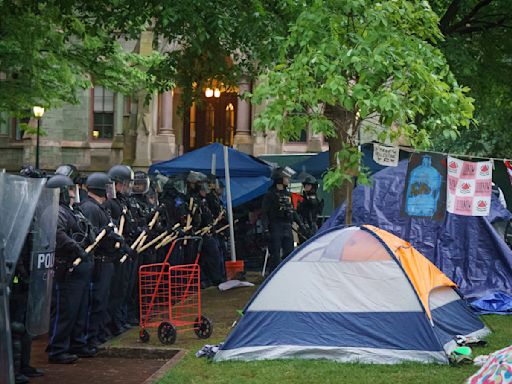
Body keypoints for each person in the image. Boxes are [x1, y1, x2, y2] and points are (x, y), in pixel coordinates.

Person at [46, 174, 96, 363]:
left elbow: (85, 230)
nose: (73, 193)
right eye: (69, 190)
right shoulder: (56, 211)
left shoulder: (73, 210)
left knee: (79, 309)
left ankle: (77, 344)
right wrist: (75, 248)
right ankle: (58, 350)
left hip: (80, 268)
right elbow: (57, 233)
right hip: (67, 269)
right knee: (65, 310)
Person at [80, 172, 122, 349]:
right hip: (99, 262)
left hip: (107, 261)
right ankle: (90, 338)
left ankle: (97, 334)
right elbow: (92, 237)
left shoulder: (100, 208)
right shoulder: (90, 208)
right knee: (96, 301)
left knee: (102, 300)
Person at [104, 165, 136, 336]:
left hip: (126, 250)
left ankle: (120, 319)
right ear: (116, 184)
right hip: (117, 253)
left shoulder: (123, 202)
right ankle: (113, 324)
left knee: (125, 288)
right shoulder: (111, 204)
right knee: (116, 290)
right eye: (125, 184)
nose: (127, 187)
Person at [261, 167, 303, 273]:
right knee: (275, 253)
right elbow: (264, 213)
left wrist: (301, 224)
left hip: (287, 225)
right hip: (275, 226)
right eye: (286, 178)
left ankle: (287, 273)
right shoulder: (270, 195)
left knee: (289, 251)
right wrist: (265, 229)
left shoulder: (287, 194)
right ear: (279, 179)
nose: (288, 180)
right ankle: (273, 274)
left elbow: (292, 211)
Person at [297, 174, 324, 239]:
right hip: (303, 225)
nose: (306, 186)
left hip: (313, 226)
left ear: (313, 186)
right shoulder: (301, 198)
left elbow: (317, 211)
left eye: (308, 185)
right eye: (305, 185)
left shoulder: (317, 199)